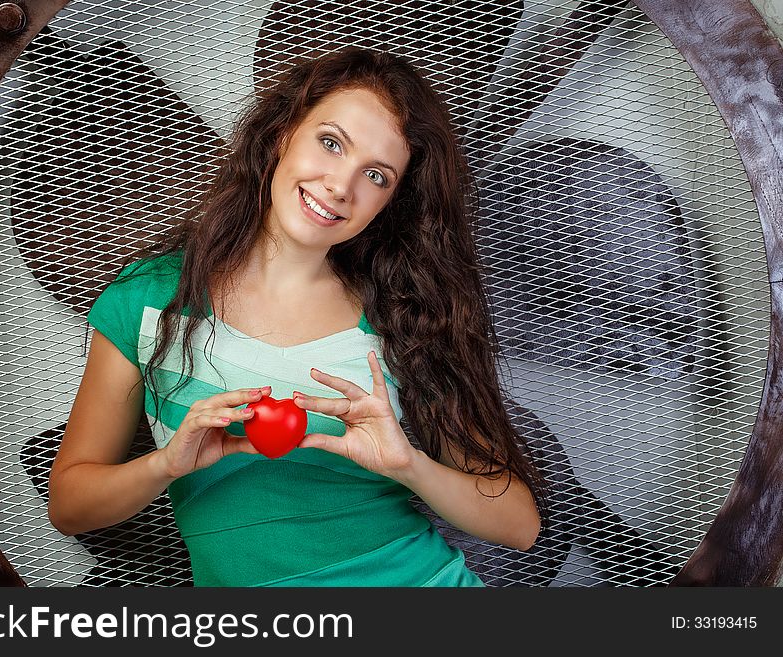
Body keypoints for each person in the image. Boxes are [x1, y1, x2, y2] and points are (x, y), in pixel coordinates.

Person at [48, 46, 548, 587]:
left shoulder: (405, 321)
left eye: (376, 176)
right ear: (284, 133)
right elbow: (71, 505)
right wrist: (165, 465)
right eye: (331, 143)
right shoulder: (149, 299)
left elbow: (518, 525)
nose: (341, 185)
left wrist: (408, 464)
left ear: (391, 203)